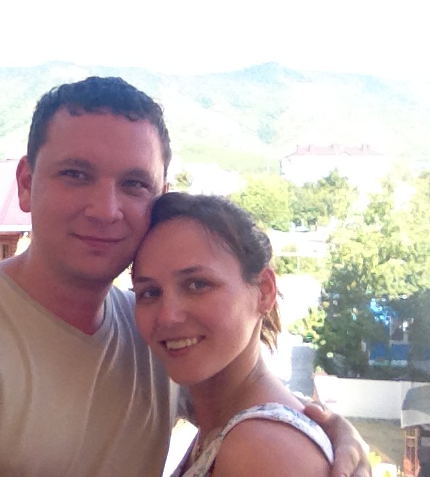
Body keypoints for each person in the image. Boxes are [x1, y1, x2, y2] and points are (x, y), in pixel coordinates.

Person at [0, 76, 371, 477]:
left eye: (134, 184)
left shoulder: (155, 333)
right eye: (76, 174)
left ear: (159, 197)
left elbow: (243, 404)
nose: (105, 209)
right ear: (26, 183)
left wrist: (327, 432)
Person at [132, 192, 334, 476]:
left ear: (264, 291)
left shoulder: (262, 449)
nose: (168, 315)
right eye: (150, 292)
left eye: (197, 284)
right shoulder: (223, 425)